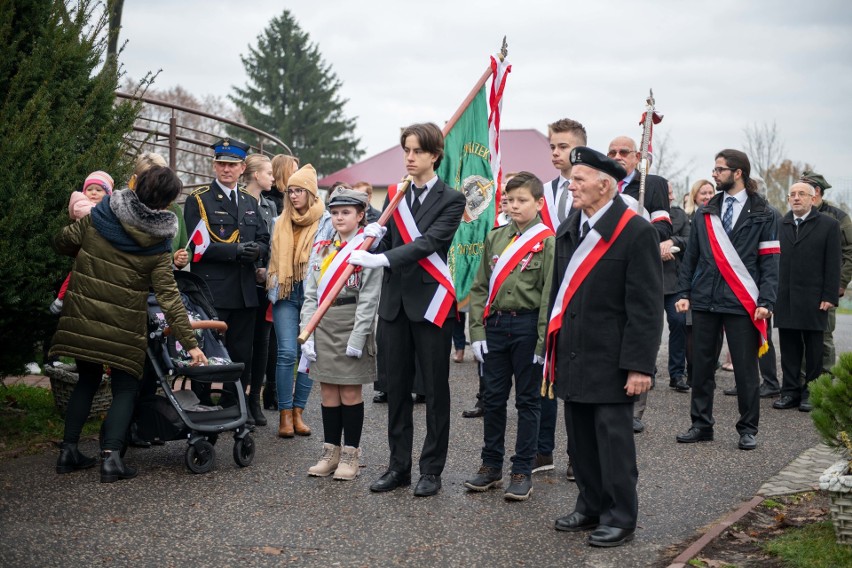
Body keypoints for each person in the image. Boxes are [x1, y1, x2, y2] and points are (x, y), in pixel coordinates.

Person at [50, 166, 207, 482]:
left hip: (83, 314)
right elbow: (169, 297)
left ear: (139, 186)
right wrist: (191, 344)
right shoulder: (159, 242)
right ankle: (111, 459)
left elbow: (61, 241)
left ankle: (68, 451)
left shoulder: (101, 214)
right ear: (165, 203)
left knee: (87, 379)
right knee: (125, 386)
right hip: (124, 323)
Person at [547, 147, 662, 547]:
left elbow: (646, 308)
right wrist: (548, 347)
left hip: (612, 357)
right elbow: (558, 294)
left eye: (579, 179)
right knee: (579, 439)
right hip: (573, 350)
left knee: (613, 442)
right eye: (571, 178)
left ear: (605, 185)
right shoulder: (570, 226)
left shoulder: (636, 232)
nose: (571, 185)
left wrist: (639, 366)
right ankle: (590, 505)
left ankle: (620, 516)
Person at [349, 122, 465, 497]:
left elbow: (429, 244)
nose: (410, 158)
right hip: (395, 306)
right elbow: (390, 242)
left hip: (431, 304)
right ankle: (397, 466)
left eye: (417, 151)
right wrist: (370, 244)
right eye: (406, 150)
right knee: (395, 390)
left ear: (434, 155)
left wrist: (379, 261)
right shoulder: (396, 198)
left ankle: (431, 470)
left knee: (434, 390)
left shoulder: (452, 199)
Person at [676, 149, 779, 451]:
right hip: (706, 298)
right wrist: (684, 293)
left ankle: (747, 429)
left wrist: (767, 300)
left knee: (746, 370)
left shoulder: (764, 212)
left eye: (720, 169)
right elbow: (691, 256)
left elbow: (770, 263)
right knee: (702, 367)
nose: (714, 174)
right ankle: (701, 424)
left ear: (738, 173)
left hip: (742, 303)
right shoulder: (707, 211)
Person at [463, 171, 555, 501]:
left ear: (539, 203)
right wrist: (476, 331)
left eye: (522, 201)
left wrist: (544, 341)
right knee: (493, 398)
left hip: (528, 327)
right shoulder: (496, 238)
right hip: (496, 326)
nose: (514, 206)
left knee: (529, 401)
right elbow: (479, 286)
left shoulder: (548, 241)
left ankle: (522, 469)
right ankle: (491, 466)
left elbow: (548, 294)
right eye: (510, 200)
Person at [184, 138, 270, 421]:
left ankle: (235, 406)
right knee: (206, 350)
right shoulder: (199, 198)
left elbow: (262, 237)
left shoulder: (248, 201)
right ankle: (201, 405)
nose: (226, 169)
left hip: (245, 291)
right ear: (214, 165)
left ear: (242, 167)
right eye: (221, 163)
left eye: (232, 165)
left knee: (240, 353)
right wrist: (234, 250)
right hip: (213, 290)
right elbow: (196, 246)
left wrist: (259, 249)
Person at [301, 188, 382, 480]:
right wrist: (306, 330)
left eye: (346, 212)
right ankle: (330, 451)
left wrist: (359, 336)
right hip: (323, 322)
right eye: (334, 213)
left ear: (361, 215)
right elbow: (310, 294)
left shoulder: (368, 248)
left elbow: (369, 298)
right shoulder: (322, 247)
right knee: (327, 392)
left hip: (351, 322)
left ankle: (351, 454)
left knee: (349, 390)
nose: (338, 218)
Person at [607, 135, 673, 434]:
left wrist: (634, 231)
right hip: (606, 267)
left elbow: (663, 225)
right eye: (612, 151)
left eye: (624, 151)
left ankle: (635, 410)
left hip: (637, 263)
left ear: (637, 156)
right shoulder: (603, 180)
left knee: (638, 330)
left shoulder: (651, 184)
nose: (617, 155)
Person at [536, 119, 588, 479]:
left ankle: (577, 455)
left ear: (579, 148)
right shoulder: (544, 189)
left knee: (575, 376)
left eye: (563, 146)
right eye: (552, 146)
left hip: (580, 290)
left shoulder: (590, 191)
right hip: (546, 290)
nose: (556, 152)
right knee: (545, 370)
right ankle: (543, 450)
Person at [267, 163, 327, 437]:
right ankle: (284, 414)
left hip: (312, 296)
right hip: (285, 293)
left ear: (311, 193)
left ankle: (299, 412)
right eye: (290, 191)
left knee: (308, 355)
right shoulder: (278, 222)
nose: (293, 196)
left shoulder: (325, 222)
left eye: (299, 191)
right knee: (287, 353)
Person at [772, 182, 840, 412]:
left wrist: (830, 295)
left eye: (802, 194)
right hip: (785, 296)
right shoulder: (781, 224)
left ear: (813, 198)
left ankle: (812, 392)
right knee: (789, 348)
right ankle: (789, 391)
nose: (796, 198)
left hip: (815, 297)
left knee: (814, 350)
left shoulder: (829, 225)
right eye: (792, 194)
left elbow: (833, 263)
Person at [800, 171, 852, 374]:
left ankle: (823, 382)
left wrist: (839, 284)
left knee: (823, 336)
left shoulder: (838, 217)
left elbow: (850, 253)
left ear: (816, 191)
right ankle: (802, 382)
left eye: (803, 189)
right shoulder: (795, 216)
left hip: (825, 287)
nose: (797, 195)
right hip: (800, 287)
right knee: (799, 336)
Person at [242, 154, 278, 426]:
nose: (273, 178)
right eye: (268, 173)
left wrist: (269, 270)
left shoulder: (269, 206)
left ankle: (255, 398)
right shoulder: (240, 202)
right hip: (242, 281)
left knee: (262, 342)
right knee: (243, 344)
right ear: (256, 175)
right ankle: (239, 399)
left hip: (265, 283)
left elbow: (272, 242)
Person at [262, 154, 300, 411]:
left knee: (281, 342)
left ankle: (275, 391)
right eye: (293, 171)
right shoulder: (274, 205)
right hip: (276, 277)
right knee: (275, 342)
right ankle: (272, 391)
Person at [49, 170, 115, 315]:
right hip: (86, 246)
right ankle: (60, 299)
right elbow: (87, 213)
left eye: (99, 190)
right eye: (89, 189)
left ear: (108, 194)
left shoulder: (110, 208)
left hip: (102, 248)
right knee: (76, 274)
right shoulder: (81, 202)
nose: (93, 193)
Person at [662, 182, 690, 392]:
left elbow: (690, 240)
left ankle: (677, 374)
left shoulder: (679, 215)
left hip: (674, 283)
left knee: (679, 323)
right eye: (667, 193)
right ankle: (647, 371)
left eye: (672, 192)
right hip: (649, 281)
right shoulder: (640, 212)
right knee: (648, 329)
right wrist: (657, 248)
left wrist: (671, 242)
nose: (671, 196)